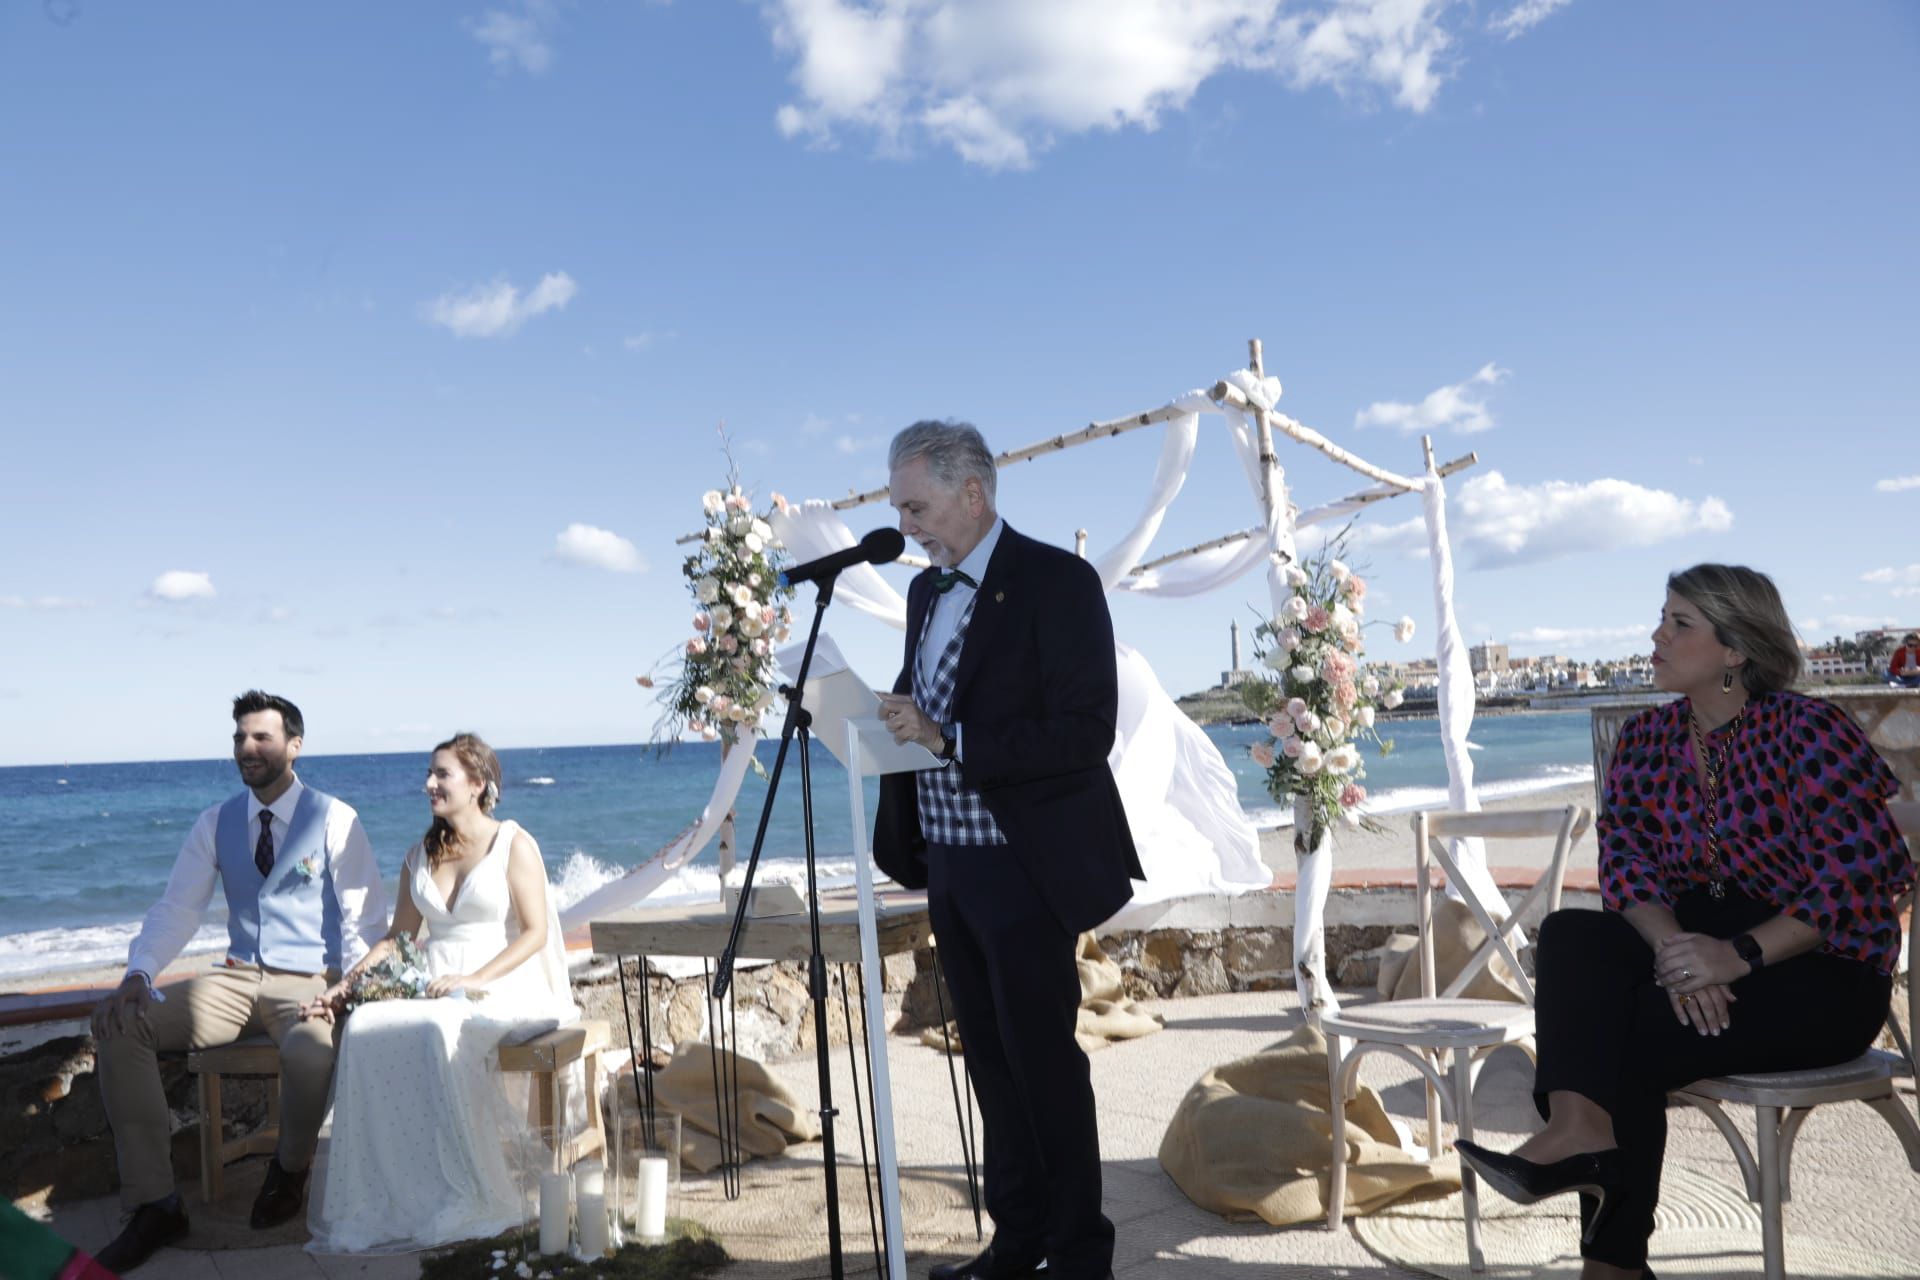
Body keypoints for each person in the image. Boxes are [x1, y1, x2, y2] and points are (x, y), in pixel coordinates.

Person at [1455, 564, 1914, 1280]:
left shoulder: (1810, 730)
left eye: (1679, 623)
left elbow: (1855, 881)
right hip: (1697, 937)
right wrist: (1678, 952)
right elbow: (1627, 866)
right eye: (1662, 618)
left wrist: (1736, 956)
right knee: (1573, 935)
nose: (1656, 635)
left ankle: (1612, 1262)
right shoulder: (1647, 740)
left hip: (1822, 968)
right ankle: (1580, 1129)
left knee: (1632, 1030)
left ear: (1735, 649)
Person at [871, 420, 1142, 1280]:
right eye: (900, 508)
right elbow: (929, 710)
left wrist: (952, 738)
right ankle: (1018, 1237)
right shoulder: (925, 595)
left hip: (1025, 867)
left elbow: (1084, 731)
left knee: (1044, 1066)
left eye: (916, 506)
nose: (907, 525)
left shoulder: (1058, 583)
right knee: (988, 1064)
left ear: (972, 492)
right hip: (950, 865)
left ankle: (1079, 1253)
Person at [90, 691, 388, 1273]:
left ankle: (290, 1168)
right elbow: (178, 907)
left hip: (310, 982)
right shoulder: (215, 822)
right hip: (235, 979)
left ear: (294, 746)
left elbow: (363, 919)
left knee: (308, 1053)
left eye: (261, 737)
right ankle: (156, 1204)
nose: (246, 748)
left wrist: (348, 992)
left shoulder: (335, 818)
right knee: (123, 1026)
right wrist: (139, 972)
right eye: (239, 738)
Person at [303, 731, 577, 1255]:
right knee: (362, 1027)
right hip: (437, 984)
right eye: (428, 774)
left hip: (502, 983)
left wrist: (475, 980)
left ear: (478, 784)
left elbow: (536, 933)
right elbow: (398, 939)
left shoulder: (512, 843)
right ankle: (394, 1191)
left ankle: (464, 1188)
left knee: (438, 1025)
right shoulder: (419, 854)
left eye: (441, 774)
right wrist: (344, 988)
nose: (429, 783)